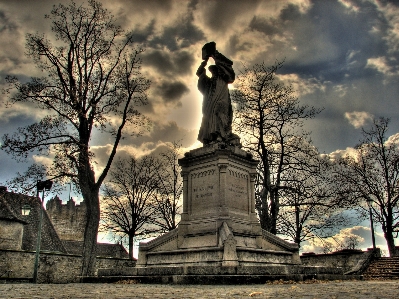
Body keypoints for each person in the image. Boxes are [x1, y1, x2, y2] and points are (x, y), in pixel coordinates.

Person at [196, 45, 236, 145]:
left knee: (219, 114)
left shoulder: (223, 78)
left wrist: (214, 54)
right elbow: (201, 81)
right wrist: (203, 65)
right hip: (210, 104)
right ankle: (211, 137)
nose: (213, 72)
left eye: (215, 70)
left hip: (222, 100)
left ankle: (220, 135)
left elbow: (229, 71)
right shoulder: (210, 83)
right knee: (210, 116)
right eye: (212, 71)